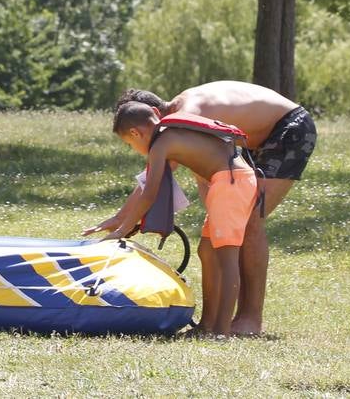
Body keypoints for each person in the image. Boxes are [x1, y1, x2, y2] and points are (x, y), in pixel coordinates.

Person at [90, 82, 316, 336]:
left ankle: (247, 320)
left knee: (250, 222)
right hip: (243, 151)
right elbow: (198, 172)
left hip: (288, 128)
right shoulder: (178, 127)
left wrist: (124, 221)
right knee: (209, 247)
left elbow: (155, 179)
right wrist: (124, 218)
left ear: (153, 114)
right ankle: (211, 323)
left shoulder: (185, 116)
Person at [86, 101, 258, 336]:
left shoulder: (161, 144)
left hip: (231, 182)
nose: (133, 147)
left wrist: (122, 229)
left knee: (226, 258)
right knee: (207, 252)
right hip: (231, 181)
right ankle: (207, 325)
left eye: (130, 143)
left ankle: (220, 331)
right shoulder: (170, 133)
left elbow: (150, 193)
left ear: (136, 133)